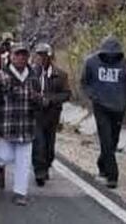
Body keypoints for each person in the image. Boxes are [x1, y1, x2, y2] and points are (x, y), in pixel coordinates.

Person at [0, 44, 41, 206]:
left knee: (24, 162)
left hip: (27, 126)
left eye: (24, 55)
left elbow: (40, 103)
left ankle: (20, 192)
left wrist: (37, 99)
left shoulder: (33, 77)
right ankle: (0, 167)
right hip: (7, 126)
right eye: (18, 55)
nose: (21, 58)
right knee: (5, 156)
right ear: (11, 56)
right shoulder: (0, 76)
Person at [80, 35, 126, 189]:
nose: (111, 55)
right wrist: (93, 96)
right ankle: (112, 175)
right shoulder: (92, 63)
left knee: (113, 140)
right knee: (105, 139)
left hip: (118, 107)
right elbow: (85, 82)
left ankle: (102, 163)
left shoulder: (125, 65)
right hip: (101, 107)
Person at [32, 43, 71, 186]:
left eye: (44, 55)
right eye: (39, 55)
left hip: (52, 115)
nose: (41, 58)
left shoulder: (60, 75)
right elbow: (27, 92)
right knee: (39, 144)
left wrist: (51, 100)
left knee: (49, 146)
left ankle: (46, 165)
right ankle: (39, 172)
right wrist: (37, 99)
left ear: (50, 57)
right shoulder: (31, 74)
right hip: (36, 114)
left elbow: (66, 94)